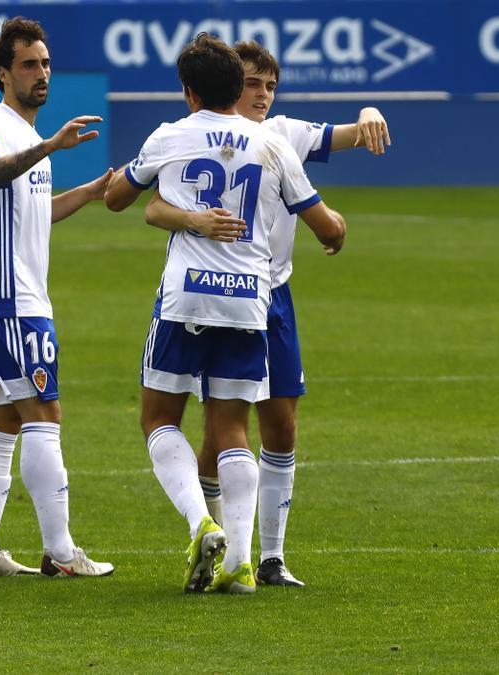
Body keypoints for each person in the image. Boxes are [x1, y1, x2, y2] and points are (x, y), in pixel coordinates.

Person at [104, 34, 346, 593]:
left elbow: (120, 199)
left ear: (188, 92)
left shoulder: (171, 135)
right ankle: (240, 561)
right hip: (248, 300)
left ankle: (200, 522)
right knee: (233, 427)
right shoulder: (271, 145)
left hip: (185, 295)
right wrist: (338, 232)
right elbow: (325, 226)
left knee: (159, 418)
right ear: (239, 87)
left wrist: (130, 184)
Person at [144, 41, 390, 587]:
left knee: (279, 425)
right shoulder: (242, 140)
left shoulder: (285, 134)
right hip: (243, 295)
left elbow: (346, 134)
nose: (261, 95)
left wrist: (368, 113)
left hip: (269, 297)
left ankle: (269, 557)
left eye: (270, 86)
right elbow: (154, 204)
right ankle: (231, 550)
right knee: (221, 428)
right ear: (233, 87)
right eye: (252, 84)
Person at [0, 17, 115, 578]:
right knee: (44, 414)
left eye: (46, 63)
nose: (41, 73)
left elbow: (37, 214)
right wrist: (50, 144)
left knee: (2, 420)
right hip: (9, 296)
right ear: (4, 74)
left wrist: (91, 192)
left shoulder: (28, 138)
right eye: (29, 64)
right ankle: (62, 551)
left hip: (15, 294)